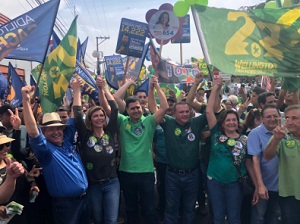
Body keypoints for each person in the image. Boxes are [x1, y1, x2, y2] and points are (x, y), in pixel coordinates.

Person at [21, 85, 89, 224]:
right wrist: (26, 101)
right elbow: (33, 132)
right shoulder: (45, 151)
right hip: (66, 206)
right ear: (44, 133)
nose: (57, 132)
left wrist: (76, 91)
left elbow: (75, 115)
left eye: (59, 128)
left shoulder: (66, 141)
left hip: (83, 201)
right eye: (51, 129)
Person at [150, 73, 208, 224]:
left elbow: (209, 111)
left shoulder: (196, 123)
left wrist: (196, 84)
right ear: (174, 113)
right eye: (181, 112)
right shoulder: (168, 123)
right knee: (171, 207)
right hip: (172, 175)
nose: (184, 114)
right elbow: (153, 109)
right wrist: (154, 87)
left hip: (192, 174)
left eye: (187, 111)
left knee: (189, 208)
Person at [117, 76, 168, 224]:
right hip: (126, 172)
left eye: (138, 107)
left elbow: (164, 107)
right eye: (132, 108)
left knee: (149, 209)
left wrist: (156, 87)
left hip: (146, 173)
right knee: (131, 209)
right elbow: (114, 98)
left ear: (142, 107)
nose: (135, 110)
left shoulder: (149, 121)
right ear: (126, 110)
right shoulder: (122, 121)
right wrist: (128, 83)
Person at [71, 76, 120, 224]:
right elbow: (78, 113)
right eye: (95, 116)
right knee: (98, 219)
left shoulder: (110, 132)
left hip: (112, 183)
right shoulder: (85, 135)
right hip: (94, 185)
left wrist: (104, 88)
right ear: (90, 119)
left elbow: (115, 108)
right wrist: (77, 91)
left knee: (111, 220)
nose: (99, 118)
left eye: (102, 115)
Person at [206, 77, 248, 224]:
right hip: (215, 181)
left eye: (234, 120)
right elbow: (209, 111)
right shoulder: (216, 134)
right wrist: (215, 88)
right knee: (218, 216)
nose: (231, 122)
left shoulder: (244, 139)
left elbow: (249, 162)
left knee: (234, 217)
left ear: (238, 122)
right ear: (222, 124)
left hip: (235, 183)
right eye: (228, 120)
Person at [264, 104, 300, 224]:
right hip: (289, 194)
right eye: (287, 118)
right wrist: (276, 140)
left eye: (294, 118)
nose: (290, 122)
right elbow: (267, 156)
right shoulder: (281, 136)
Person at [247, 105, 281, 224]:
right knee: (259, 216)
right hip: (264, 184)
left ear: (280, 117)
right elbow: (254, 160)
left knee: (276, 216)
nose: (272, 119)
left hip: (282, 186)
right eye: (268, 117)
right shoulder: (255, 134)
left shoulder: (286, 131)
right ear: (262, 118)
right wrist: (259, 185)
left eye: (275, 116)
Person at [0, 133, 24, 204]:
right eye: (0, 146)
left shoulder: (11, 161)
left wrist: (32, 181)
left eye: (7, 144)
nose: (6, 148)